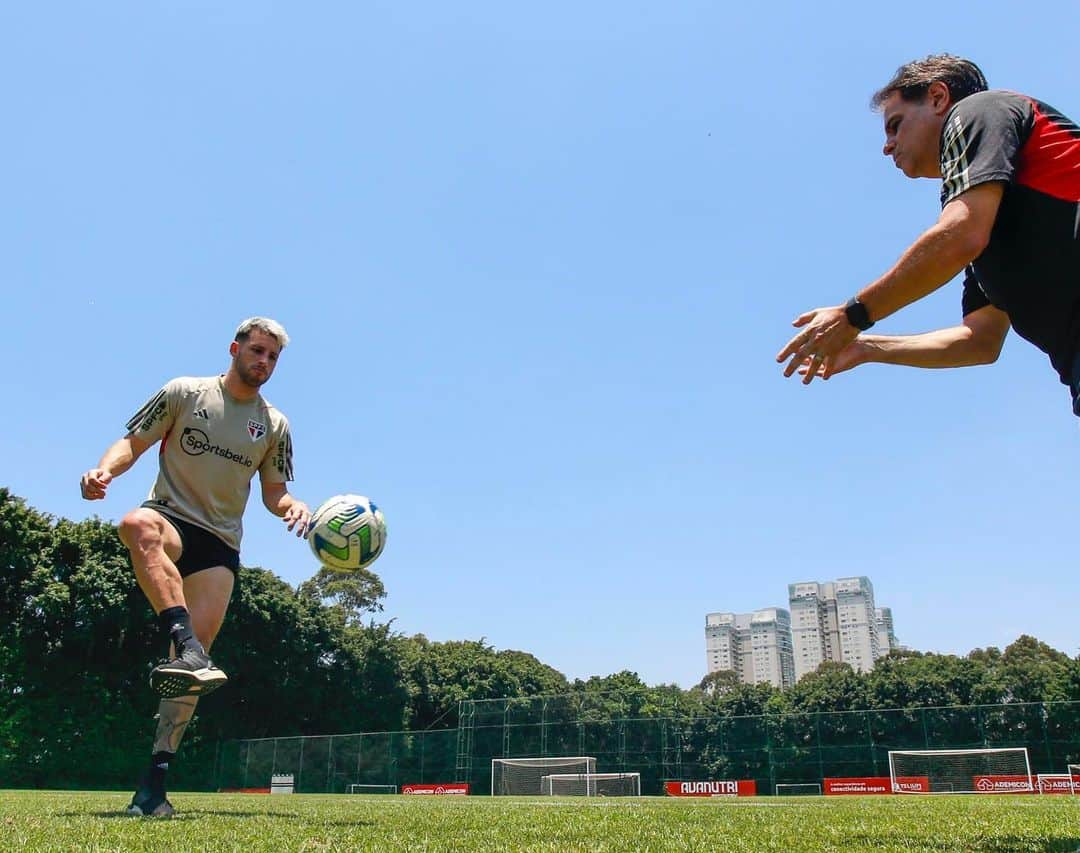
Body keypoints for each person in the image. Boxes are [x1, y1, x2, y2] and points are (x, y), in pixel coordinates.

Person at [80, 317, 311, 817]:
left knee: (188, 680)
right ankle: (186, 645)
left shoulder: (275, 425)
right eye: (257, 351)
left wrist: (291, 506)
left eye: (272, 357)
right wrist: (104, 470)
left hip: (220, 546)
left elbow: (274, 492)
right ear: (235, 348)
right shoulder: (184, 392)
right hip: (170, 516)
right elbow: (133, 443)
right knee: (135, 525)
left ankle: (153, 787)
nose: (264, 362)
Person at [776, 55, 1080, 413]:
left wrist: (852, 315)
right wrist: (867, 347)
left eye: (895, 125)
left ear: (937, 98)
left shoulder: (978, 111)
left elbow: (959, 236)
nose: (887, 146)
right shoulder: (989, 211)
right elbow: (979, 340)